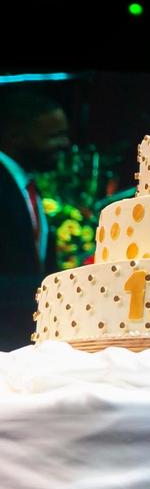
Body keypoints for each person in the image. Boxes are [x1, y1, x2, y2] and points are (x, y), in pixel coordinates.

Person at [0, 89, 70, 350]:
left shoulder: (26, 185)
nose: (65, 144)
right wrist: (53, 290)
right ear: (14, 135)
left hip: (25, 343)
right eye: (54, 136)